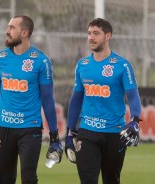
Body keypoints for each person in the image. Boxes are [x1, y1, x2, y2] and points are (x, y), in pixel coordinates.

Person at [0, 15, 63, 184]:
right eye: (8, 27)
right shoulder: (0, 58)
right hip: (3, 128)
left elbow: (48, 100)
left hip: (30, 128)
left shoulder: (41, 61)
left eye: (12, 27)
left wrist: (54, 136)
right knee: (5, 179)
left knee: (29, 178)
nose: (7, 31)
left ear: (24, 32)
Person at [65, 18, 141, 184]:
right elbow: (76, 99)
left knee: (112, 180)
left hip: (115, 133)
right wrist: (70, 131)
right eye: (89, 33)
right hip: (87, 132)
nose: (91, 37)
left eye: (96, 33)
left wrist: (135, 120)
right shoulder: (82, 65)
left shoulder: (123, 65)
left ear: (108, 36)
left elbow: (133, 96)